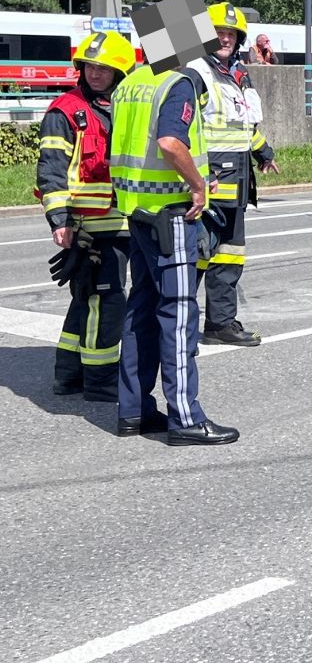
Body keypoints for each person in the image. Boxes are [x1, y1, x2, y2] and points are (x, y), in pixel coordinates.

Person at [110, 53, 239, 445]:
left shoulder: (130, 83)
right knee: (179, 315)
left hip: (137, 211)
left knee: (141, 311)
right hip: (172, 216)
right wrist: (197, 184)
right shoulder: (177, 83)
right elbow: (169, 142)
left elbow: (137, 146)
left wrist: (197, 173)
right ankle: (185, 418)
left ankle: (133, 410)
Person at [36, 30, 136, 401]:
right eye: (90, 66)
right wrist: (60, 220)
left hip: (122, 221)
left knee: (86, 299)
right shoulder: (65, 110)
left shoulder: (126, 109)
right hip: (88, 225)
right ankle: (100, 380)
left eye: (104, 68)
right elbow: (51, 170)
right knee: (106, 302)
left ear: (119, 73)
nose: (95, 73)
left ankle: (68, 375)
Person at [187, 2, 280, 347]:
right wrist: (199, 175)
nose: (225, 39)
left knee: (229, 257)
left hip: (236, 184)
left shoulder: (238, 73)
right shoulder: (195, 71)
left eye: (231, 34)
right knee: (195, 260)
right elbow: (184, 129)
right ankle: (178, 329)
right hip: (208, 186)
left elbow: (242, 125)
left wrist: (263, 152)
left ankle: (220, 324)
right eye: (218, 33)